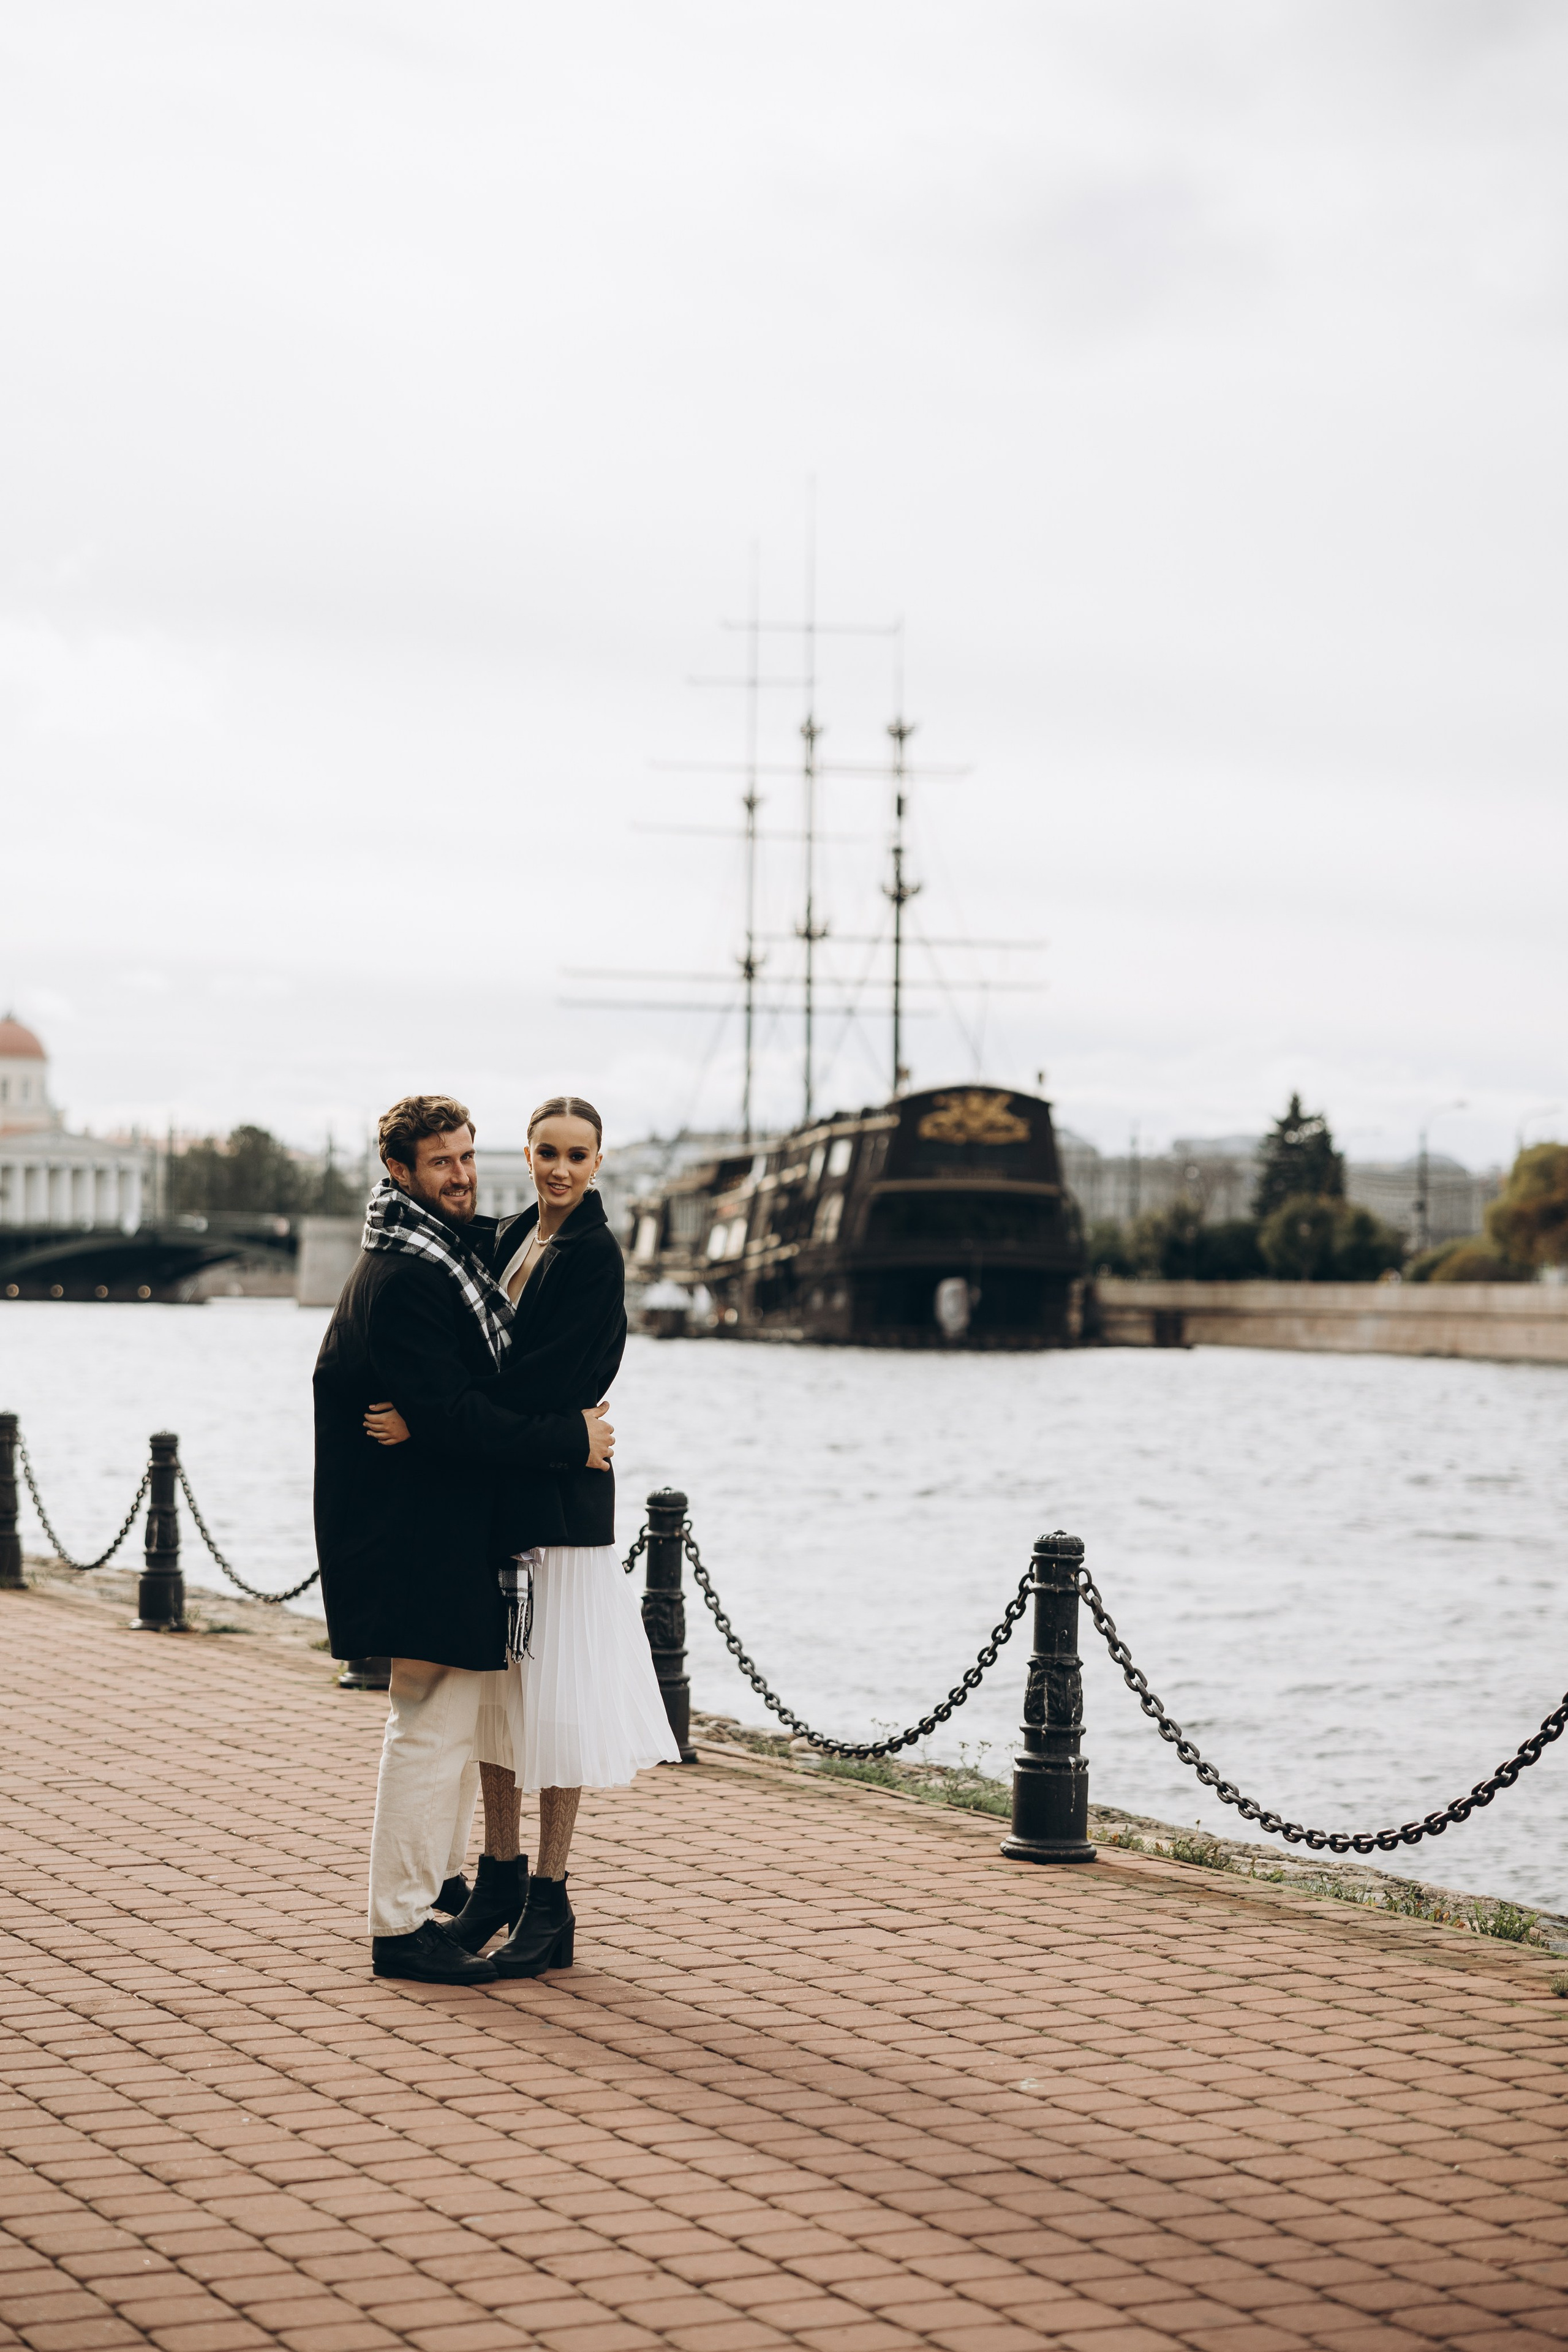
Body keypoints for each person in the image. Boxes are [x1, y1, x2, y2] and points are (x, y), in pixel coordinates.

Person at [363, 1094, 679, 1980]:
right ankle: (498, 1877)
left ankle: (552, 1896)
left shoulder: (596, 1257)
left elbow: (546, 1378)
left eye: (579, 1155)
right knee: (502, 1701)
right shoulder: (503, 1237)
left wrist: (431, 1419)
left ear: (599, 1163)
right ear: (528, 1153)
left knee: (558, 1707)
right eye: (547, 1151)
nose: (561, 1170)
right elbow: (465, 1346)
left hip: (562, 1504)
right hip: (502, 1498)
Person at [313, 1093, 615, 1986]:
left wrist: (433, 1420)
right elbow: (456, 1411)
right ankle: (404, 1927)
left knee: (433, 1720)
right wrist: (571, 1439)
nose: (460, 1175)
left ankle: (442, 1896)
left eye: (467, 1157)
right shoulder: (410, 1273)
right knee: (433, 1729)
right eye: (442, 1163)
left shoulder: (430, 1249)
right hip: (418, 1538)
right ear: (399, 1173)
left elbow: (465, 1393)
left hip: (422, 1528)